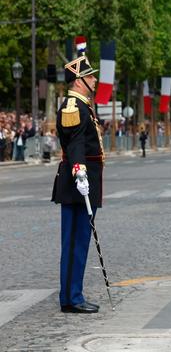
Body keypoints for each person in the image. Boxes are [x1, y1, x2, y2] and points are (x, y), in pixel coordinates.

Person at [51, 52, 103, 313]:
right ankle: (72, 298)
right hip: (77, 184)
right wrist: (79, 170)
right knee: (75, 242)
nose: (94, 80)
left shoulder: (82, 105)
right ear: (79, 80)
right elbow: (75, 143)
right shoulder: (74, 106)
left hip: (81, 182)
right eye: (90, 76)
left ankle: (72, 295)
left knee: (78, 241)